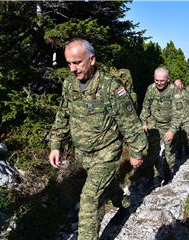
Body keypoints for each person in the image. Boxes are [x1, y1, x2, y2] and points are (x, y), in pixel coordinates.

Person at [48, 38, 147, 240]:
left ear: (91, 59)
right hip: (84, 154)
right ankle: (124, 204)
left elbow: (130, 122)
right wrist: (56, 144)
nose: (72, 69)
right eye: (69, 63)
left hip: (107, 152)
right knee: (105, 187)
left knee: (89, 200)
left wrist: (137, 152)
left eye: (77, 62)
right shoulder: (69, 85)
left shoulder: (111, 87)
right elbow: (63, 114)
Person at [140, 67, 184, 185]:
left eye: (162, 81)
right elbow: (145, 107)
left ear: (168, 79)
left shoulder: (175, 91)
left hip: (168, 125)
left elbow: (178, 114)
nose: (159, 83)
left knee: (169, 152)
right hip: (154, 124)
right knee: (153, 152)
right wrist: (143, 122)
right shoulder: (151, 89)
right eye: (156, 80)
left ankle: (168, 174)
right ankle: (156, 175)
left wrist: (172, 130)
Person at [174, 79, 189, 158]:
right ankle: (179, 153)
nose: (177, 87)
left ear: (182, 85)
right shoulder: (172, 95)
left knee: (186, 136)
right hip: (176, 120)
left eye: (178, 85)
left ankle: (187, 150)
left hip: (186, 119)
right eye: (175, 85)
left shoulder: (186, 94)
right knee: (178, 138)